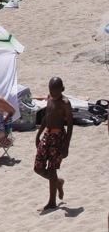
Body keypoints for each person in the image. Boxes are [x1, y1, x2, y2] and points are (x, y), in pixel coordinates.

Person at [33, 76, 74, 211]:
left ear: (62, 89)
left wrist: (66, 146)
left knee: (52, 169)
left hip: (58, 137)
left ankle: (52, 202)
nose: (53, 93)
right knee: (38, 168)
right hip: (47, 135)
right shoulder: (49, 98)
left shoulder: (65, 103)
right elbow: (46, 117)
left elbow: (70, 125)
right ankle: (58, 182)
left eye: (56, 91)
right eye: (51, 90)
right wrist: (38, 135)